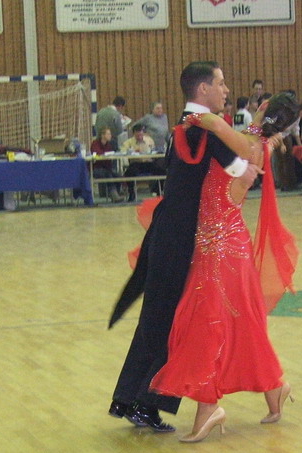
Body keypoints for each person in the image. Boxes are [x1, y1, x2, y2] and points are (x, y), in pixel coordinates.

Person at [108, 61, 261, 433]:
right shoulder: (207, 129)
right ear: (203, 89)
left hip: (166, 233)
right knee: (174, 323)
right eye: (220, 83)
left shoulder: (186, 125)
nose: (226, 90)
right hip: (180, 240)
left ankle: (129, 399)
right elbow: (246, 169)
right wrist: (261, 132)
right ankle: (146, 402)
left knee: (157, 317)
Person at [148, 93, 299, 442]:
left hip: (221, 249)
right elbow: (232, 133)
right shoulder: (256, 145)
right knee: (242, 323)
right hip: (223, 245)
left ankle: (208, 407)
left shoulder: (246, 145)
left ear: (263, 109)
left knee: (207, 323)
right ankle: (275, 389)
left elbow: (214, 123)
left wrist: (193, 116)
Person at [120, 123, 164, 202]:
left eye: (141, 134)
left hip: (148, 163)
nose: (139, 137)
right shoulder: (128, 142)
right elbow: (123, 152)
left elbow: (154, 150)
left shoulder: (149, 140)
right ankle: (131, 193)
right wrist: (132, 151)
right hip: (136, 163)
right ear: (134, 134)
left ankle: (157, 190)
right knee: (129, 173)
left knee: (162, 171)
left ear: (143, 133)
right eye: (137, 135)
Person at [89, 127, 125, 202]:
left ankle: (116, 193)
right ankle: (114, 196)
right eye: (108, 134)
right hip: (96, 168)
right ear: (102, 135)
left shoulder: (109, 145)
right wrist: (105, 155)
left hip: (106, 168)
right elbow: (96, 154)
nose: (110, 136)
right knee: (108, 174)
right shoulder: (95, 143)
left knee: (117, 175)